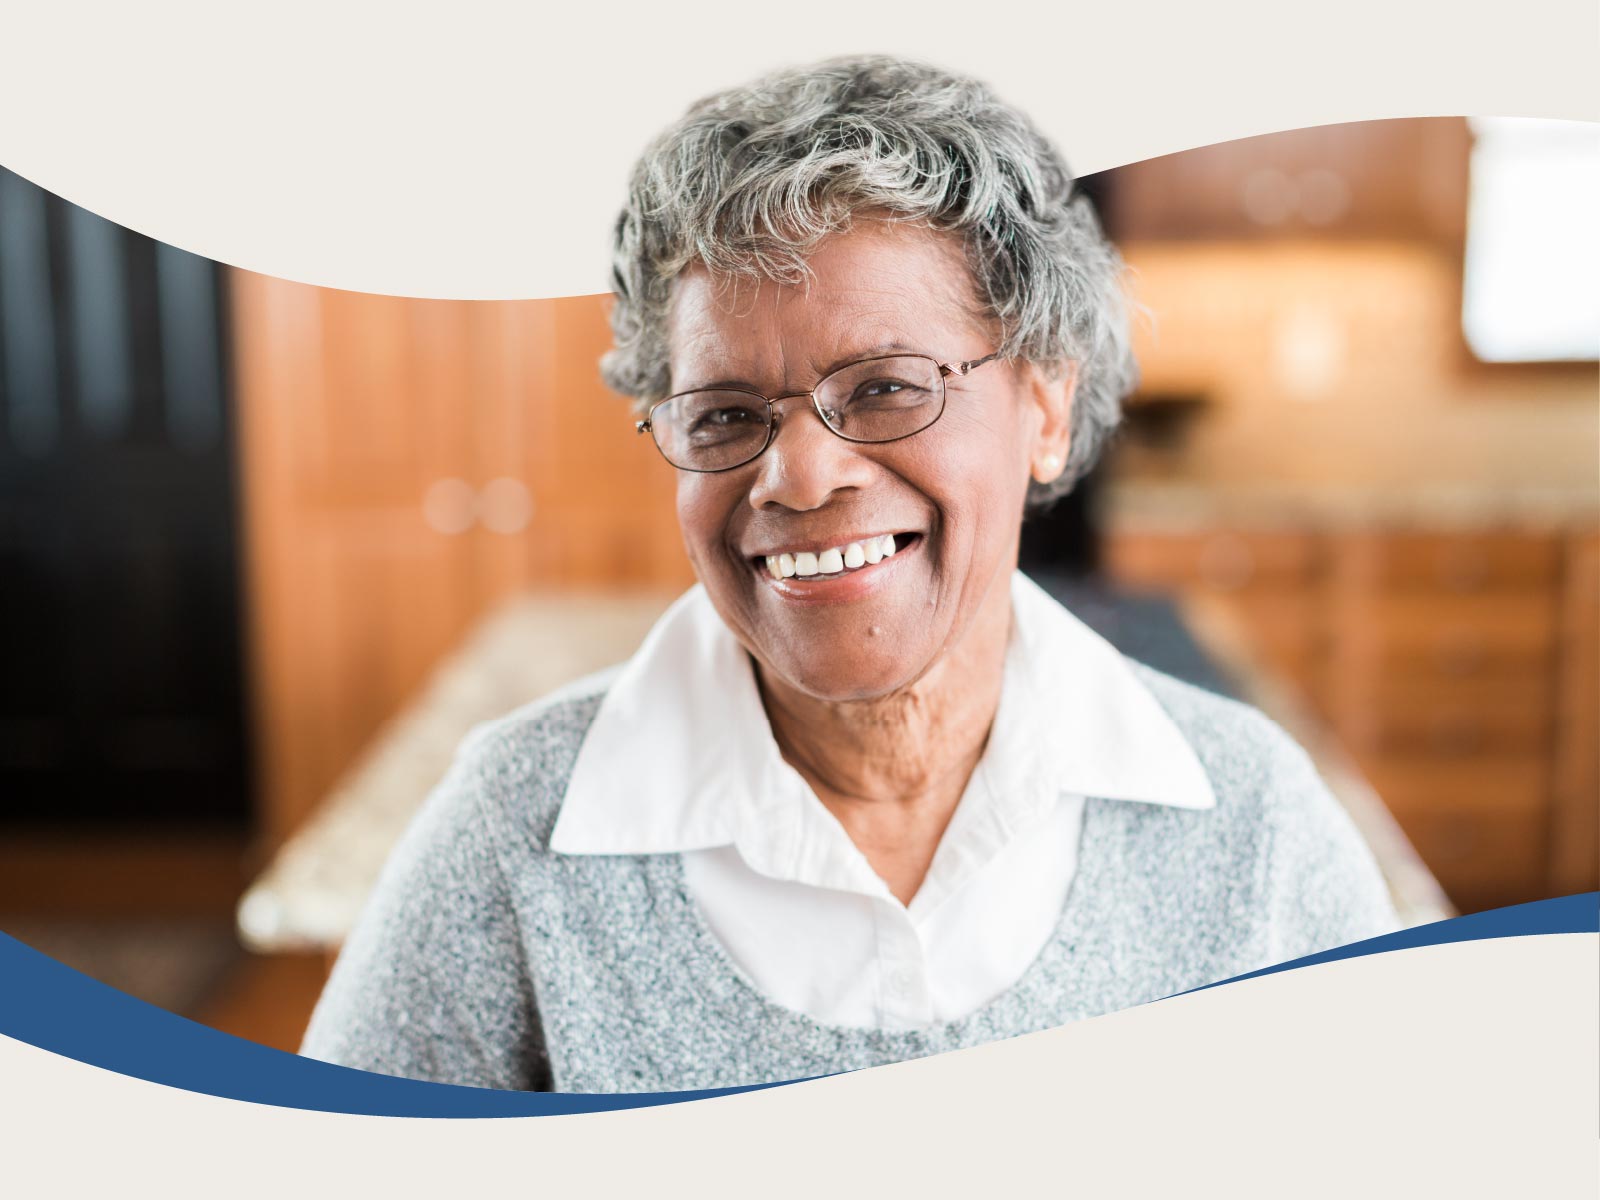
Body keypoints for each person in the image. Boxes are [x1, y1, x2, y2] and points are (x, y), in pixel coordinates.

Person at [300, 54, 1399, 1092]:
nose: (799, 475)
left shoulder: (1250, 829)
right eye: (724, 414)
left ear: (1047, 407)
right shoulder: (513, 836)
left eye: (883, 387)